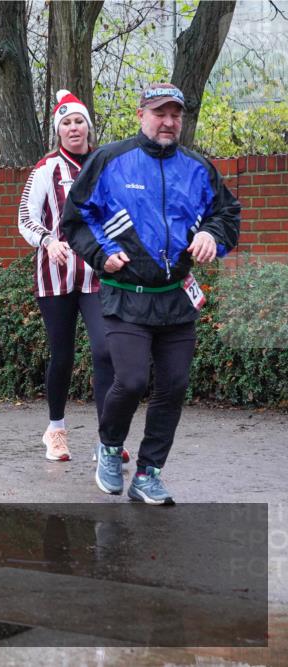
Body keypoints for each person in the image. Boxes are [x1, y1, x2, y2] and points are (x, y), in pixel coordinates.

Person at [62, 83, 240, 505]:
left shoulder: (197, 167)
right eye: (160, 113)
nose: (169, 122)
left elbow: (226, 214)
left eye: (175, 115)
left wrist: (212, 235)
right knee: (132, 380)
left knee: (174, 386)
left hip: (176, 298)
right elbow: (76, 219)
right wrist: (101, 255)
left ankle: (148, 474)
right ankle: (109, 447)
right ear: (141, 114)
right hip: (126, 294)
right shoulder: (110, 160)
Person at [18, 90, 116, 463]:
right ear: (58, 131)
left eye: (79, 121)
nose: (74, 128)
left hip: (97, 274)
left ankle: (108, 439)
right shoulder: (46, 169)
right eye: (67, 123)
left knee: (105, 350)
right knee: (62, 354)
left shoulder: (105, 165)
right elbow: (25, 218)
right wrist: (47, 241)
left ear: (88, 127)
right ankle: (55, 430)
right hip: (56, 275)